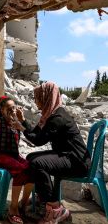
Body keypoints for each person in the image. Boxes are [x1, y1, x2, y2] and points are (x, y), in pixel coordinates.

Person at [12, 81, 91, 224]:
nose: (36, 102)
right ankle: (47, 200)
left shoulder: (57, 118)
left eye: (37, 98)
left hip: (77, 162)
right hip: (67, 156)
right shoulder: (51, 114)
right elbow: (36, 133)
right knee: (31, 158)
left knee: (36, 163)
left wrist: (22, 128)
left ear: (46, 97)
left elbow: (37, 140)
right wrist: (23, 121)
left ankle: (55, 209)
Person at [0, 96, 33, 224]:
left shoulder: (15, 123)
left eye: (14, 107)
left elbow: (31, 135)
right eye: (9, 108)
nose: (12, 110)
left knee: (34, 168)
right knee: (20, 170)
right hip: (1, 156)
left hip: (14, 155)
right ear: (2, 110)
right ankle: (13, 210)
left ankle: (22, 204)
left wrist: (22, 120)